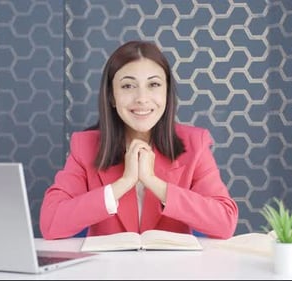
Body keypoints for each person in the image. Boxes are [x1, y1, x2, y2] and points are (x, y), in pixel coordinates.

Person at [39, 40, 238, 240]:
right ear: (111, 96)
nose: (142, 98)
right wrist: (124, 182)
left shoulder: (195, 143)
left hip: (173, 270)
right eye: (128, 86)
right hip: (108, 269)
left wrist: (153, 182)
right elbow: (50, 224)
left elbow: (225, 223)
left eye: (153, 84)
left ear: (167, 92)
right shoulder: (85, 146)